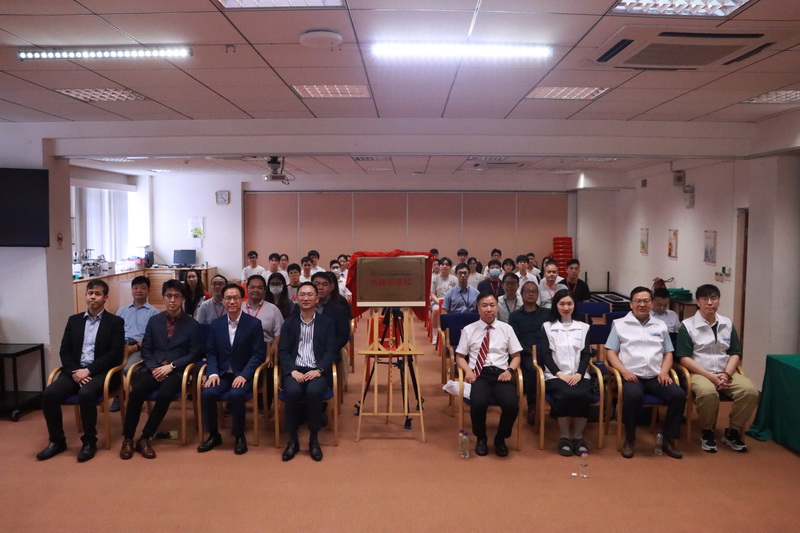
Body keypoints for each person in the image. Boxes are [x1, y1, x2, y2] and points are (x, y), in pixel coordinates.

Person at [37, 280, 125, 462]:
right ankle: (57, 441)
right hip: (75, 371)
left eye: (98, 294)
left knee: (86, 393)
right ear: (85, 295)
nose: (93, 297)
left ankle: (89, 442)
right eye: (90, 293)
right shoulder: (74, 320)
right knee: (49, 394)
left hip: (102, 372)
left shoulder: (115, 322)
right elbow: (65, 350)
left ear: (105, 297)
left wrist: (89, 371)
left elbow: (115, 354)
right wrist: (76, 371)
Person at [120, 280, 202, 459]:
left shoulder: (192, 324)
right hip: (153, 368)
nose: (172, 300)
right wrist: (153, 367)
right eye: (169, 296)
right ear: (163, 298)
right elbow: (146, 349)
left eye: (176, 296)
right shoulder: (154, 320)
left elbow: (194, 354)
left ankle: (145, 438)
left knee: (165, 394)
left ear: (182, 299)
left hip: (176, 371)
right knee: (136, 391)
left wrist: (171, 366)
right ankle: (128, 438)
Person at [675, 284, 758, 453]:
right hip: (698, 372)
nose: (710, 303)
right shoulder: (687, 326)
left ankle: (733, 431)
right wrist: (710, 376)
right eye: (705, 299)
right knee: (708, 393)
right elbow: (684, 358)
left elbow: (735, 353)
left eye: (714, 298)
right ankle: (707, 431)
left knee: (750, 392)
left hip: (725, 371)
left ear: (719, 301)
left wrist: (726, 374)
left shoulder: (727, 324)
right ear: (698, 302)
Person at [605, 287, 685, 459]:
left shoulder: (660, 325)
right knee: (633, 396)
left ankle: (668, 439)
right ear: (631, 304)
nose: (642, 304)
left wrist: (664, 372)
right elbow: (611, 352)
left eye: (646, 301)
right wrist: (624, 372)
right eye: (638, 301)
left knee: (678, 395)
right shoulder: (620, 324)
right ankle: (630, 439)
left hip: (656, 376)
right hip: (631, 376)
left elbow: (668, 353)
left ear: (651, 303)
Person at [198, 283, 266, 455]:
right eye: (228, 298)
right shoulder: (217, 324)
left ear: (242, 300)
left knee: (236, 395)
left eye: (236, 298)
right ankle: (214, 435)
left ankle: (239, 436)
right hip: (221, 374)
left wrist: (244, 375)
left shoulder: (254, 324)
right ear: (223, 301)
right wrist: (212, 373)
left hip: (243, 374)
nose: (232, 301)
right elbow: (211, 352)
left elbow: (258, 354)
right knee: (207, 393)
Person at [456, 292, 523, 457]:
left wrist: (510, 371)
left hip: (502, 373)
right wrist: (468, 371)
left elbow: (516, 356)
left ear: (497, 308)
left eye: (492, 305)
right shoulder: (469, 330)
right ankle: (481, 438)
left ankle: (500, 438)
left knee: (511, 404)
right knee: (478, 403)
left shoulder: (507, 329)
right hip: (479, 373)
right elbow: (460, 357)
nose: (489, 309)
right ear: (478, 309)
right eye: (484, 305)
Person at [278, 282, 338, 462]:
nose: (306, 298)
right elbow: (283, 351)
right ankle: (293, 440)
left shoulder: (326, 323)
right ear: (296, 298)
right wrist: (291, 370)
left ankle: (314, 440)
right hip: (295, 370)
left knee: (313, 392)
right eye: (302, 295)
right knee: (292, 392)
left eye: (310, 294)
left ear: (317, 299)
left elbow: (331, 350)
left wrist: (319, 370)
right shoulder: (289, 323)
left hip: (316, 370)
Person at [541, 290, 593, 456]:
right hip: (556, 375)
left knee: (584, 395)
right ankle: (565, 437)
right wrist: (559, 374)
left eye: (569, 303)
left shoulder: (583, 327)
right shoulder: (548, 327)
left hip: (579, 375)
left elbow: (586, 354)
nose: (566, 307)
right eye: (562, 304)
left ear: (574, 305)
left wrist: (579, 373)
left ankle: (578, 437)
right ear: (556, 306)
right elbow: (546, 355)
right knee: (565, 395)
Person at [111, 275, 159, 412]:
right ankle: (118, 393)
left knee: (127, 368)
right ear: (131, 290)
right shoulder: (122, 310)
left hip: (139, 347)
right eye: (135, 288)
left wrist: (135, 347)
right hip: (121, 345)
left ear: (148, 291)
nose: (139, 291)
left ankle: (137, 393)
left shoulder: (154, 313)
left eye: (143, 288)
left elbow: (153, 338)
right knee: (108, 366)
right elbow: (114, 332)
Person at [509, 281, 548, 426]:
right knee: (533, 370)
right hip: (526, 352)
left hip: (546, 351)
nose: (531, 294)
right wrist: (530, 351)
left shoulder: (547, 313)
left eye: (534, 291)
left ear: (538, 294)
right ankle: (533, 406)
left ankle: (558, 403)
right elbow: (514, 339)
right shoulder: (515, 316)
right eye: (528, 291)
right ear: (521, 294)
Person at [244, 275, 284, 348]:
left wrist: (273, 349)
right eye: (252, 287)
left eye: (260, 288)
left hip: (265, 349)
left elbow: (279, 333)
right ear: (247, 289)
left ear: (265, 291)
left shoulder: (273, 309)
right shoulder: (239, 307)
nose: (255, 290)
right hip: (241, 349)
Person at [430, 257, 457, 343]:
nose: (444, 266)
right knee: (436, 310)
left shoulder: (454, 279)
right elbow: (432, 294)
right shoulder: (434, 278)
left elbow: (456, 293)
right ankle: (435, 334)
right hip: (437, 301)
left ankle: (452, 334)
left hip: (451, 302)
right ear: (440, 266)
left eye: (447, 265)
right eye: (442, 264)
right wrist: (440, 302)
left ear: (450, 267)